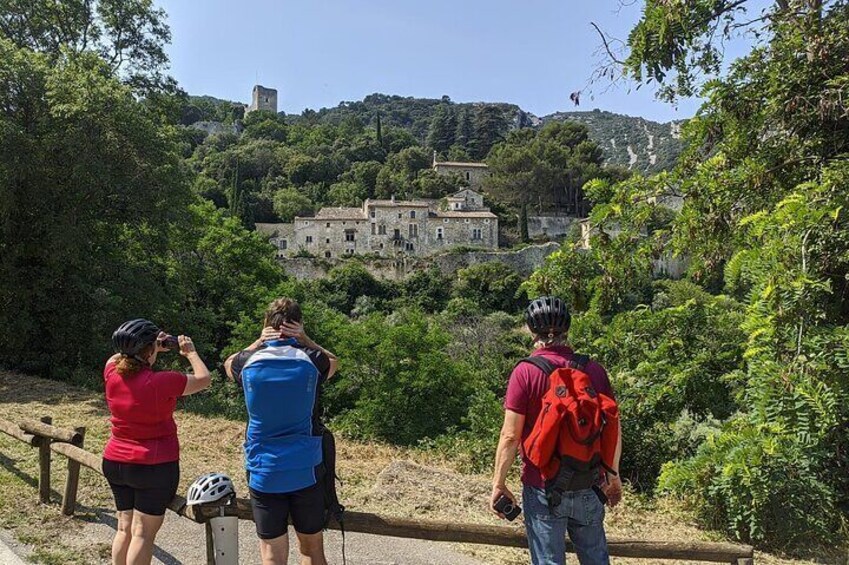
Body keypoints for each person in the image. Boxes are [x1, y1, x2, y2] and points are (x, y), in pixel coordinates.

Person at [491, 296, 622, 565]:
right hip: (590, 483)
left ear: (531, 330)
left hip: (542, 486)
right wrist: (613, 475)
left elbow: (510, 436)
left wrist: (498, 484)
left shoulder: (525, 372)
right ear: (567, 330)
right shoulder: (594, 370)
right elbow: (613, 427)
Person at [225, 298, 339, 565]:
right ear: (298, 325)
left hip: (263, 470)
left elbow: (228, 363)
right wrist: (307, 339)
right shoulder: (312, 359)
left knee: (272, 556)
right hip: (306, 469)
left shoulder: (247, 361)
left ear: (267, 325)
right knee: (312, 551)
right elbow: (334, 361)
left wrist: (256, 342)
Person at [103, 318, 211, 565]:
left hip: (115, 461)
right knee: (142, 534)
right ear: (149, 348)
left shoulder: (111, 373)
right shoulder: (162, 381)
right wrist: (190, 352)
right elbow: (204, 379)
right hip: (153, 465)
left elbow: (116, 358)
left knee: (124, 528)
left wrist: (147, 346)